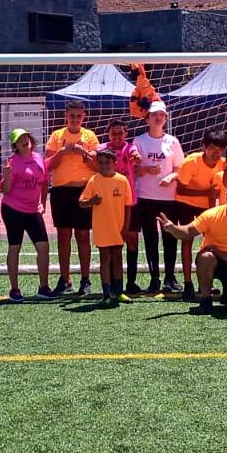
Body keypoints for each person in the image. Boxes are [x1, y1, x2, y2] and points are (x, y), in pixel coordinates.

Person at [161, 180, 227, 312]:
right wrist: (173, 229)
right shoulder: (211, 215)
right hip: (213, 259)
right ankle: (206, 300)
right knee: (205, 257)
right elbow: (188, 232)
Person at [131, 101, 185, 295]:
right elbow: (133, 169)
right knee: (150, 239)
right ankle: (155, 278)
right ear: (147, 118)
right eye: (155, 114)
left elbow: (180, 168)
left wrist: (171, 176)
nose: (158, 117)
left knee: (169, 237)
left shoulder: (173, 142)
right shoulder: (139, 141)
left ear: (166, 118)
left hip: (168, 199)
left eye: (162, 114)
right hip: (145, 197)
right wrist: (146, 169)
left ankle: (170, 277)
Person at [45, 99, 99, 296]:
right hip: (61, 192)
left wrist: (83, 152)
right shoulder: (57, 136)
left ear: (83, 117)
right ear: (65, 116)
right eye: (72, 115)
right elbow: (48, 164)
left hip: (83, 191)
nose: (75, 119)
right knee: (63, 237)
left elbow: (97, 166)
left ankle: (85, 279)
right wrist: (64, 151)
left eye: (79, 116)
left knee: (83, 236)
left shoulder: (90, 136)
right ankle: (65, 278)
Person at [170, 132, 227, 293]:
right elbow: (180, 190)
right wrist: (205, 193)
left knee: (210, 243)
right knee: (187, 240)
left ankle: (207, 282)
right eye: (212, 149)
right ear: (204, 147)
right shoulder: (191, 162)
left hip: (207, 207)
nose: (216, 153)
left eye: (220, 149)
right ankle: (188, 283)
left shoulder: (223, 164)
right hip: (186, 204)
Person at [1, 128, 50, 302]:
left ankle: (44, 287)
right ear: (15, 145)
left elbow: (44, 184)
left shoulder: (39, 158)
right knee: (15, 247)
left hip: (33, 211)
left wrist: (42, 203)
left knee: (43, 247)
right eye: (19, 139)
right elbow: (5, 190)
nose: (23, 140)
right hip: (13, 210)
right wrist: (6, 177)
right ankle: (14, 289)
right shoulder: (12, 162)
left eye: (25, 137)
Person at [80, 147, 134, 305]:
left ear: (115, 163)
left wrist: (126, 228)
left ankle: (119, 292)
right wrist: (91, 201)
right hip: (102, 227)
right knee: (105, 258)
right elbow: (81, 202)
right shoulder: (94, 180)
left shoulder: (122, 181)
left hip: (118, 227)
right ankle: (106, 293)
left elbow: (128, 206)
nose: (104, 166)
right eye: (101, 163)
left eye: (107, 163)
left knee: (117, 257)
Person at [100, 118, 144, 294]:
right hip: (110, 205)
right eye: (113, 133)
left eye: (120, 133)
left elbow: (136, 156)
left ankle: (131, 282)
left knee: (132, 239)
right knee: (112, 243)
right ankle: (111, 284)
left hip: (129, 202)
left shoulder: (130, 147)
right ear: (109, 134)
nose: (117, 136)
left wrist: (136, 158)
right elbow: (93, 157)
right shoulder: (103, 149)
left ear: (126, 134)